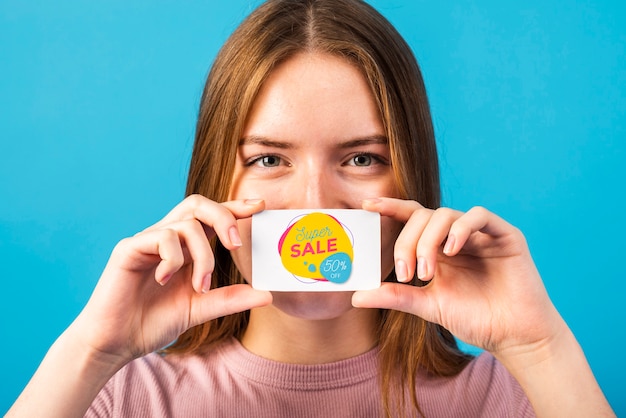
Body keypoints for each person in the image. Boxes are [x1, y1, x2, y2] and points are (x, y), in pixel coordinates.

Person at [7, 0, 615, 417]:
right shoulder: (127, 399)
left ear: (413, 178)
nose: (314, 206)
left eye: (361, 159)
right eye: (270, 160)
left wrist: (540, 348)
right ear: (215, 180)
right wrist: (90, 351)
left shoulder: (508, 399)